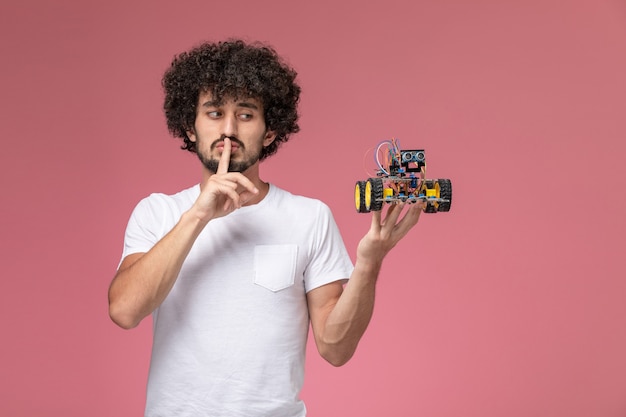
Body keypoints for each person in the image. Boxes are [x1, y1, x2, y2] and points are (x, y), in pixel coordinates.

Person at [108, 39, 425, 417]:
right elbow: (124, 311)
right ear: (190, 129)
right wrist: (198, 216)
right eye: (213, 113)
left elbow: (336, 348)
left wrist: (370, 261)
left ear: (270, 132)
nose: (228, 129)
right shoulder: (158, 212)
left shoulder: (309, 217)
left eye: (245, 115)